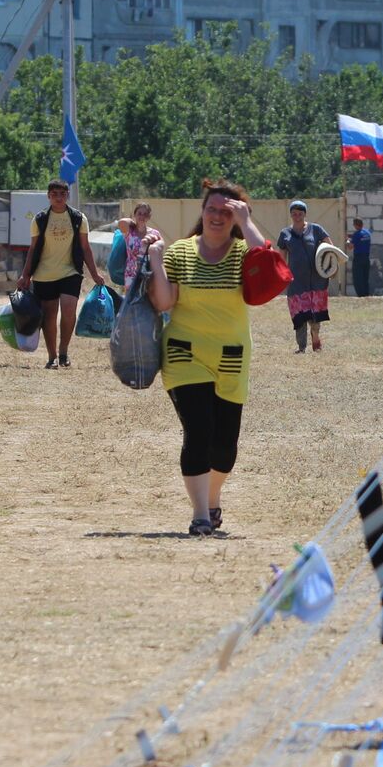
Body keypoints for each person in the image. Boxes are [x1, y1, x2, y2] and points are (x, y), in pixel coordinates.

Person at [144, 179, 269, 537]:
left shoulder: (245, 252)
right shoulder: (181, 252)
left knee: (225, 445)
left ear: (237, 215)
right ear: (202, 211)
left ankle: (212, 498)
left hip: (231, 356)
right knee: (198, 432)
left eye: (226, 211)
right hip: (184, 354)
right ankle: (200, 514)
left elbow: (271, 273)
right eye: (211, 209)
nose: (217, 216)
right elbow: (165, 302)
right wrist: (156, 258)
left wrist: (246, 224)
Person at [16, 178, 105, 369]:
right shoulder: (39, 219)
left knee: (68, 310)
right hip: (43, 274)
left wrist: (94, 274)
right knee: (49, 316)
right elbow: (32, 250)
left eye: (62, 194)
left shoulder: (78, 218)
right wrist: (25, 275)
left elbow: (85, 248)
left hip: (70, 272)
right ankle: (52, 357)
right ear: (48, 196)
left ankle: (64, 351)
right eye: (54, 194)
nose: (58, 197)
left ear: (67, 196)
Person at [276, 199, 333, 353]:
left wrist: (330, 268)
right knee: (299, 314)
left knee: (314, 314)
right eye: (294, 214)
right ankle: (301, 347)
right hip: (296, 281)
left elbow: (330, 248)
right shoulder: (285, 234)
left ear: (305, 214)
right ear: (291, 215)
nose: (297, 216)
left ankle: (315, 336)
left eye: (300, 213)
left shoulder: (316, 230)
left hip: (317, 280)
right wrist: (281, 276)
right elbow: (281, 258)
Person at [110, 201, 161, 287]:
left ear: (149, 217)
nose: (142, 216)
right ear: (135, 215)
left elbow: (159, 251)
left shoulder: (154, 233)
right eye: (139, 213)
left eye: (145, 214)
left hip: (148, 273)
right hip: (131, 273)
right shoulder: (129, 232)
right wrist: (133, 223)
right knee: (131, 299)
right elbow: (121, 222)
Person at [345, 217, 372, 297]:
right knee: (365, 277)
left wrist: (347, 240)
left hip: (358, 258)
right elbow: (360, 239)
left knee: (357, 277)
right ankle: (366, 294)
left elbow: (350, 247)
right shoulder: (367, 233)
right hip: (366, 257)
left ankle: (361, 295)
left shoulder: (357, 235)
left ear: (356, 225)